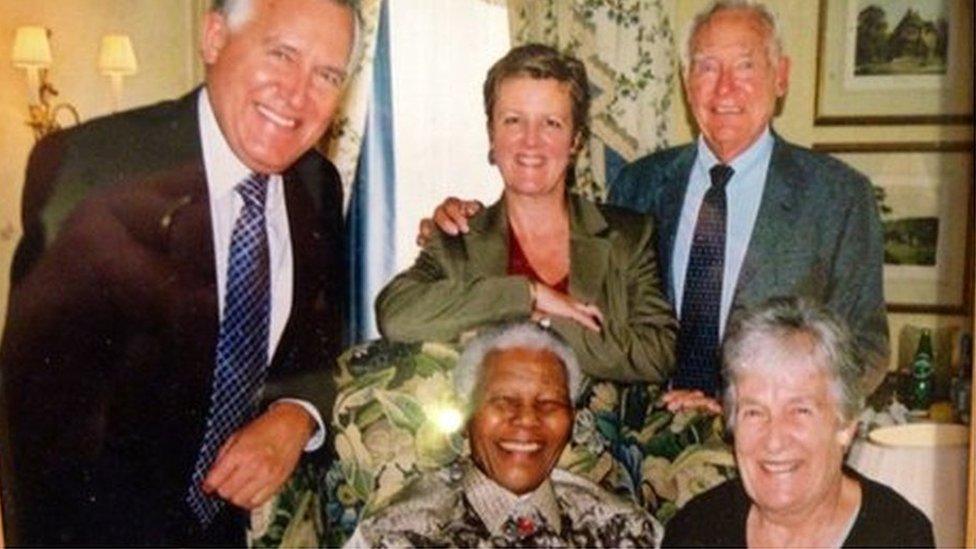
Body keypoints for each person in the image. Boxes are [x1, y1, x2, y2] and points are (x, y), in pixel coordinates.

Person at [0, 0, 354, 545]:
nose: (298, 93)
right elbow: (36, 426)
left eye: (327, 74)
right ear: (214, 39)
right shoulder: (92, 167)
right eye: (281, 53)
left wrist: (297, 412)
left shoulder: (318, 186)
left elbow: (318, 334)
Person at [425, 0, 888, 401]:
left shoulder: (838, 197)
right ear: (686, 81)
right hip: (640, 446)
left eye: (745, 66)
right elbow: (557, 242)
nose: (724, 88)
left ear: (781, 76)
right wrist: (470, 222)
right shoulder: (638, 184)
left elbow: (865, 349)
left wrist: (755, 407)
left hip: (768, 445)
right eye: (707, 67)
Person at [376, 44, 677, 383]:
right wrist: (528, 295)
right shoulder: (458, 238)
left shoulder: (628, 236)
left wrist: (542, 319)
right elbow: (395, 316)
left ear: (576, 140)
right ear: (492, 135)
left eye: (551, 123)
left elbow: (657, 354)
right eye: (514, 120)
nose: (531, 142)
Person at [347, 322, 661, 547]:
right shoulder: (397, 535)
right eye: (503, 401)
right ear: (467, 415)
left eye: (549, 403)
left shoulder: (625, 531)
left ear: (573, 420)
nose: (526, 419)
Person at [662, 297, 934, 548]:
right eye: (754, 412)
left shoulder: (900, 537)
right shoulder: (696, 531)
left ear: (845, 425)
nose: (774, 441)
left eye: (799, 411)